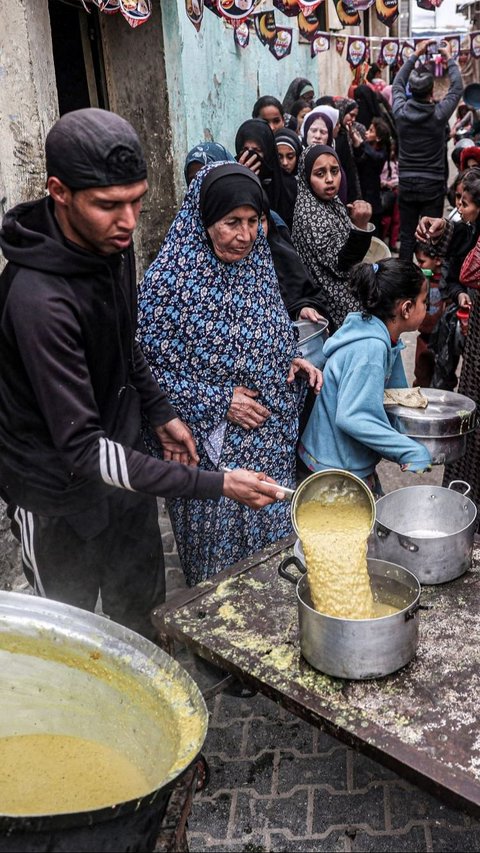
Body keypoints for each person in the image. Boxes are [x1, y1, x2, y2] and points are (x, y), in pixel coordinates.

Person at [0, 108, 280, 640]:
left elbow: (126, 343)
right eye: (109, 205)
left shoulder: (113, 246)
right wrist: (219, 483)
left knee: (144, 612)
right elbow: (83, 449)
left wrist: (159, 409)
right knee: (69, 631)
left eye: (137, 200)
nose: (129, 221)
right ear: (59, 192)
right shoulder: (39, 299)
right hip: (54, 492)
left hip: (124, 474)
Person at [137, 162, 322, 585]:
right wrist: (222, 401)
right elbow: (145, 375)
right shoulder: (168, 282)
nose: (245, 235)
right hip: (209, 457)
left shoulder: (257, 264)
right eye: (231, 222)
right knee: (220, 577)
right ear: (204, 221)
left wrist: (287, 359)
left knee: (273, 563)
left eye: (254, 221)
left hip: (268, 446)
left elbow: (267, 332)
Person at [298, 260, 432, 494]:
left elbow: (397, 396)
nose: (427, 309)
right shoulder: (370, 349)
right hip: (332, 468)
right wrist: (409, 451)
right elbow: (354, 417)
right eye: (425, 302)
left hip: (343, 459)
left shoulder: (383, 336)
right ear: (406, 308)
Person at [392, 38, 463, 261]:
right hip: (432, 184)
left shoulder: (401, 112)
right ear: (431, 91)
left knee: (407, 236)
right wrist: (449, 57)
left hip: (406, 183)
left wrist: (415, 54)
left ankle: (402, 284)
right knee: (431, 237)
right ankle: (427, 283)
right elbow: (457, 87)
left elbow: (396, 85)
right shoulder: (438, 115)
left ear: (410, 90)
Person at [291, 144, 373, 330]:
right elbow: (340, 266)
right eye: (320, 174)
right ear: (306, 177)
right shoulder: (310, 213)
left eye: (334, 171)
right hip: (334, 301)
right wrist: (359, 227)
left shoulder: (331, 201)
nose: (330, 179)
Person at [235, 118, 295, 229]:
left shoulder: (289, 186)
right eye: (245, 150)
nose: (250, 155)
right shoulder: (232, 181)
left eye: (257, 150)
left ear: (268, 152)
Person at [351, 117, 391, 235]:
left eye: (371, 131)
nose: (367, 132)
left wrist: (362, 144)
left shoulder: (381, 152)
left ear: (378, 138)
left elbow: (375, 157)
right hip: (361, 191)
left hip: (373, 196)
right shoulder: (367, 148)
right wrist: (357, 143)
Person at [413, 241, 445, 387]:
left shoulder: (448, 284)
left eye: (422, 261)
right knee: (421, 374)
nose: (419, 266)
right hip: (424, 337)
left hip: (442, 340)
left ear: (437, 260)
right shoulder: (422, 282)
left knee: (443, 377)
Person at [334, 98, 362, 204]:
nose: (353, 119)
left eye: (355, 116)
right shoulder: (337, 135)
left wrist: (356, 142)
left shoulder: (355, 130)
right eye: (351, 115)